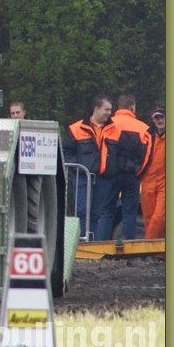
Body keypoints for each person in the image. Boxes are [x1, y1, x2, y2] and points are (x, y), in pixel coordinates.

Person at [93, 94, 152, 241]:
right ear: (132, 107)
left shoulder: (109, 125)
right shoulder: (144, 128)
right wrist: (140, 172)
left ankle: (101, 245)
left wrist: (103, 170)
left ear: (118, 107)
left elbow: (101, 149)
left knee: (107, 212)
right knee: (129, 213)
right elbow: (148, 155)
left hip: (110, 176)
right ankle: (127, 245)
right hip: (132, 176)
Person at [62, 94, 112, 239]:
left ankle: (92, 242)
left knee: (96, 213)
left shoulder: (113, 128)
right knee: (82, 211)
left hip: (102, 178)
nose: (109, 113)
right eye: (107, 109)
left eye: (110, 110)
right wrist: (80, 167)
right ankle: (80, 241)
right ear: (96, 109)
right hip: (82, 177)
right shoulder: (76, 128)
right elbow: (66, 151)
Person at [140, 106, 165, 239]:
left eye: (162, 117)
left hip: (164, 181)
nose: (160, 120)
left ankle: (147, 245)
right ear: (153, 120)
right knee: (148, 217)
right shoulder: (146, 136)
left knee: (159, 217)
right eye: (157, 118)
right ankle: (158, 248)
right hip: (147, 180)